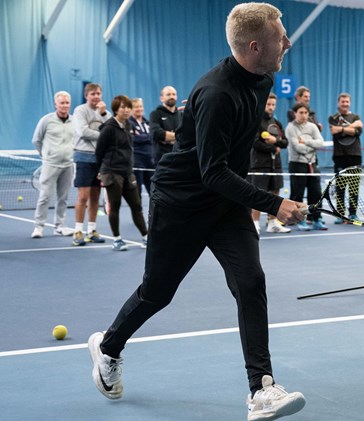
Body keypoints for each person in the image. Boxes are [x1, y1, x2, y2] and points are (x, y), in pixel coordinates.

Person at [87, 4, 306, 420]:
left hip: (225, 206)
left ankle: (261, 389)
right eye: (281, 37)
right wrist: (275, 203)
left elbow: (230, 161)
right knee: (157, 293)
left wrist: (263, 199)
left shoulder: (264, 79)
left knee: (250, 281)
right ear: (255, 45)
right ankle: (108, 347)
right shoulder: (215, 93)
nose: (288, 42)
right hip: (181, 203)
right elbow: (212, 171)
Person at [94, 95, 148, 251]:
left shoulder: (129, 125)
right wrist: (100, 171)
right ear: (116, 110)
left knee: (136, 205)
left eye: (128, 107)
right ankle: (117, 239)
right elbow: (99, 152)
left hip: (127, 172)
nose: (126, 110)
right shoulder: (109, 128)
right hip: (111, 172)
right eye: (123, 107)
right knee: (115, 206)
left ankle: (146, 237)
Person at [30, 91, 75, 238]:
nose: (65, 105)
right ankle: (38, 227)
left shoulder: (74, 121)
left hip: (68, 165)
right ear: (56, 104)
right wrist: (45, 156)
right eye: (62, 103)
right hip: (50, 165)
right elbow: (36, 140)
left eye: (67, 102)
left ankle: (59, 226)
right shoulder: (46, 120)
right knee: (45, 197)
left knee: (63, 198)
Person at [71, 82, 111, 246]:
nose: (96, 96)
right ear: (87, 95)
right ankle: (78, 231)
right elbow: (83, 132)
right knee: (83, 196)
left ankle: (92, 230)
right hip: (83, 157)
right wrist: (103, 135)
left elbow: (111, 129)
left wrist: (102, 114)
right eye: (93, 94)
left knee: (95, 197)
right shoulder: (80, 111)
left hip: (99, 159)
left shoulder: (105, 113)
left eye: (98, 93)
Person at [251, 93, 291, 233]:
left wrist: (275, 142)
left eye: (273, 104)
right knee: (258, 193)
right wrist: (274, 147)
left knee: (275, 192)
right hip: (259, 164)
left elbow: (285, 142)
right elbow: (255, 143)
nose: (271, 107)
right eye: (268, 104)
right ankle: (254, 223)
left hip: (276, 164)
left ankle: (272, 223)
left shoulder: (277, 123)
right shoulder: (256, 121)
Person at [286, 102, 326, 230]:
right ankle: (299, 220)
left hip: (312, 164)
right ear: (295, 113)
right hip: (297, 164)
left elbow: (320, 143)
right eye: (300, 113)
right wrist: (312, 146)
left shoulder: (312, 127)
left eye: (305, 113)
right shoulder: (290, 127)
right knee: (298, 194)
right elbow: (297, 147)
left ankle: (317, 219)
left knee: (316, 193)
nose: (303, 115)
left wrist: (306, 142)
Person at [328, 92, 363, 224]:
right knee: (340, 186)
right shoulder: (333, 118)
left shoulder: (356, 116)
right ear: (338, 103)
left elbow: (358, 132)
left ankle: (353, 214)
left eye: (347, 102)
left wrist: (341, 129)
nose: (345, 104)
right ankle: (340, 213)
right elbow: (334, 132)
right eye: (342, 101)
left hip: (355, 155)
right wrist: (352, 126)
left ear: (350, 103)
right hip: (339, 155)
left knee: (354, 186)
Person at [149, 86, 182, 166]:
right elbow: (156, 134)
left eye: (173, 94)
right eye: (168, 94)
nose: (171, 96)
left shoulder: (181, 115)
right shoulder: (155, 114)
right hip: (162, 159)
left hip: (179, 156)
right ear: (161, 98)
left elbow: (188, 135)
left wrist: (168, 137)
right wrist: (179, 136)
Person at [128, 98, 153, 198]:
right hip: (137, 161)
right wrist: (149, 136)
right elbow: (134, 139)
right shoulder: (129, 123)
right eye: (136, 107)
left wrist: (144, 136)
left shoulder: (147, 122)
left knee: (153, 190)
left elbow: (154, 136)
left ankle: (155, 213)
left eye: (140, 106)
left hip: (150, 160)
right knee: (137, 191)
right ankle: (138, 213)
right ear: (131, 109)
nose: (139, 109)